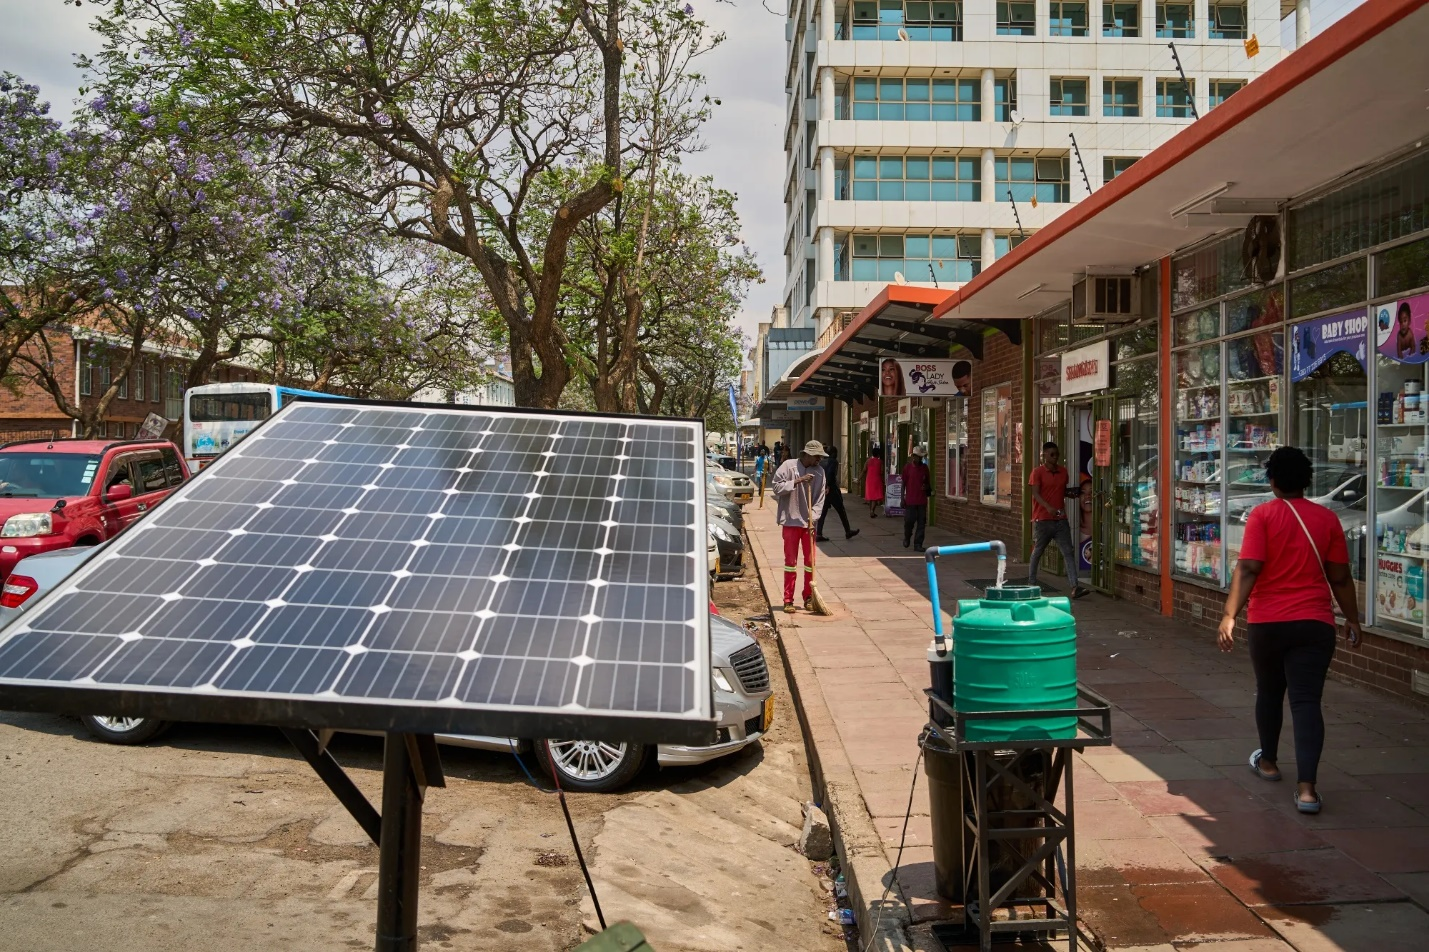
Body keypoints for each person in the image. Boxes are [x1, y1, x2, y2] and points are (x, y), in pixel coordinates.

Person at [1218, 446, 1362, 815]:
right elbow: (1341, 577)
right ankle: (1308, 790)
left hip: (1269, 622)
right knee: (1306, 702)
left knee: (1269, 692)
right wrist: (1353, 619)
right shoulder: (1327, 519)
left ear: (1272, 481)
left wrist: (1230, 614)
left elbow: (1248, 568)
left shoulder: (1263, 516)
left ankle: (1267, 762)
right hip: (1315, 623)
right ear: (1307, 481)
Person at [772, 441, 828, 613]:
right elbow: (776, 487)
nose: (819, 459)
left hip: (809, 524)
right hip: (790, 522)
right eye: (817, 456)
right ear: (807, 454)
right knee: (790, 563)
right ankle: (788, 599)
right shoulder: (788, 466)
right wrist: (797, 481)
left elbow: (819, 500)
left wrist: (814, 518)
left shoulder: (820, 472)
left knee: (810, 563)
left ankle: (809, 597)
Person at [1028, 441, 1090, 599]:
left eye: (1057, 454)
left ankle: (1075, 587)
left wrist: (1072, 493)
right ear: (1044, 456)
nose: (1055, 457)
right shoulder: (1037, 472)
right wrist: (1047, 507)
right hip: (1043, 520)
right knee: (1038, 551)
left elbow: (1059, 491)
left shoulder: (1063, 472)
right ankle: (1031, 584)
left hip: (1061, 519)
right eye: (1052, 454)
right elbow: (1035, 493)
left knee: (1068, 552)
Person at [816, 445, 860, 542]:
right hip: (831, 489)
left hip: (823, 489)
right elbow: (831, 473)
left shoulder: (821, 462)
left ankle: (818, 533)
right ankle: (847, 531)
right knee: (841, 510)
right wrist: (828, 485)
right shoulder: (833, 462)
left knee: (823, 512)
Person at [900, 445, 933, 550]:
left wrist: (926, 487)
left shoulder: (924, 468)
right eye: (917, 456)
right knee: (909, 522)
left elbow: (928, 484)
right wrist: (902, 498)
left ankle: (918, 544)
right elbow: (903, 484)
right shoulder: (907, 468)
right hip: (910, 501)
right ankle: (907, 536)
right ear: (913, 456)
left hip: (921, 501)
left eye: (921, 457)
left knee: (921, 524)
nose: (919, 459)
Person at [863, 444, 885, 518]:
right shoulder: (880, 462)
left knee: (870, 496)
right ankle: (872, 510)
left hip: (869, 480)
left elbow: (864, 470)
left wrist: (860, 479)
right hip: (877, 480)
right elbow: (881, 472)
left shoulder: (868, 461)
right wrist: (883, 480)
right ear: (878, 454)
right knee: (875, 497)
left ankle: (871, 512)